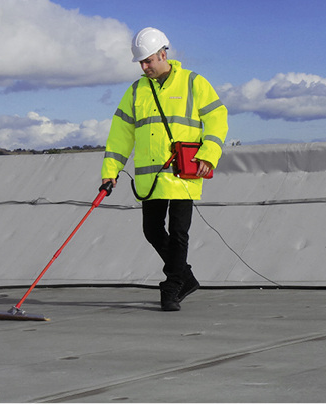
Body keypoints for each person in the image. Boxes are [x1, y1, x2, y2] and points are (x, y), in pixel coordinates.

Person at [101, 27, 228, 311]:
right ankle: (186, 276)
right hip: (151, 178)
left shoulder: (193, 82)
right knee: (152, 229)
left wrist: (210, 153)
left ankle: (171, 287)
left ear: (163, 54)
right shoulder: (135, 92)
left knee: (179, 230)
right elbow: (120, 135)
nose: (144, 67)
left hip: (184, 171)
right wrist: (110, 171)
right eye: (141, 63)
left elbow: (218, 118)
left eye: (148, 60)